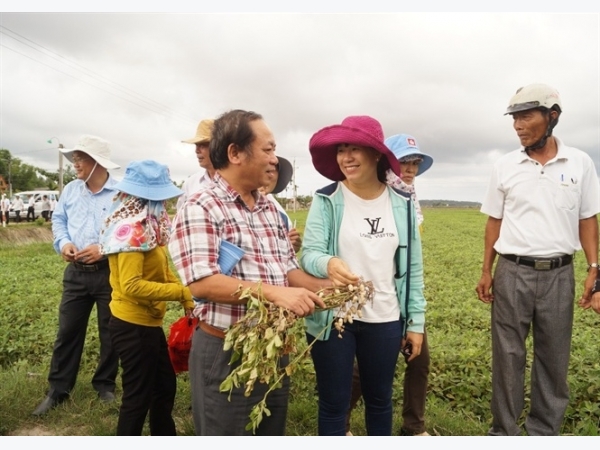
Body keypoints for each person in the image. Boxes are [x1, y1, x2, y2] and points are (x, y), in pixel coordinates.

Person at [169, 109, 327, 436]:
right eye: (267, 149)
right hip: (226, 349)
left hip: (272, 347)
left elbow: (286, 269)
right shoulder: (201, 206)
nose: (275, 159)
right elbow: (202, 283)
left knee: (269, 431)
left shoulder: (269, 208)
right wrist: (273, 293)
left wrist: (323, 286)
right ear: (235, 153)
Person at [475, 83, 600, 435]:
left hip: (560, 274)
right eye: (514, 118)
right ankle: (504, 434)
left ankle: (543, 434)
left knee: (554, 358)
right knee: (508, 358)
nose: (518, 125)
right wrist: (486, 270)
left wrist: (594, 268)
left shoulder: (580, 163)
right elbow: (494, 221)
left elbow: (588, 218)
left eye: (526, 116)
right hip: (512, 271)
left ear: (552, 117)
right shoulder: (504, 165)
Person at [300, 115, 426, 436]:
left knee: (380, 399)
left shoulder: (402, 204)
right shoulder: (327, 199)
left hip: (384, 316)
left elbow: (412, 267)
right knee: (333, 402)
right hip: (335, 317)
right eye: (342, 149)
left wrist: (415, 323)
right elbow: (309, 254)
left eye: (355, 148)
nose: (346, 157)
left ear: (376, 155)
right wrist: (328, 263)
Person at [344, 133, 434, 436]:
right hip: (375, 296)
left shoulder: (409, 197)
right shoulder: (379, 198)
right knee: (365, 369)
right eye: (404, 161)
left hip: (403, 293)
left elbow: (412, 258)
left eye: (415, 162)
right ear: (387, 162)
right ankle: (340, 420)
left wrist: (414, 306)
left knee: (418, 358)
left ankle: (413, 426)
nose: (410, 168)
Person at [99, 160, 194, 436]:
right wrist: (183, 292)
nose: (163, 205)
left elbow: (163, 271)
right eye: (159, 199)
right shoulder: (130, 231)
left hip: (147, 324)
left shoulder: (148, 228)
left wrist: (185, 298)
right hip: (132, 325)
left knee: (164, 386)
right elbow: (131, 286)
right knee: (138, 396)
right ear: (144, 198)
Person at [32, 135, 121, 416]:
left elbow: (129, 231)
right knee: (67, 331)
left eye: (80, 158)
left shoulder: (121, 193)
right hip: (76, 273)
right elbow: (58, 220)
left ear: (98, 162)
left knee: (111, 332)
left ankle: (105, 386)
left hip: (109, 272)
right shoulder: (71, 190)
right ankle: (58, 390)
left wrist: (103, 248)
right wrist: (64, 243)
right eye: (74, 159)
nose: (75, 164)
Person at [258, 155, 302, 253]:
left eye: (272, 171)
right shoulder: (225, 205)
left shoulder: (281, 215)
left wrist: (292, 247)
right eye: (264, 170)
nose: (268, 176)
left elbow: (288, 250)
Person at [176, 118, 215, 211]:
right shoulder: (190, 184)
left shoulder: (235, 182)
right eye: (196, 145)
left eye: (202, 145)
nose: (197, 151)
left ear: (217, 146)